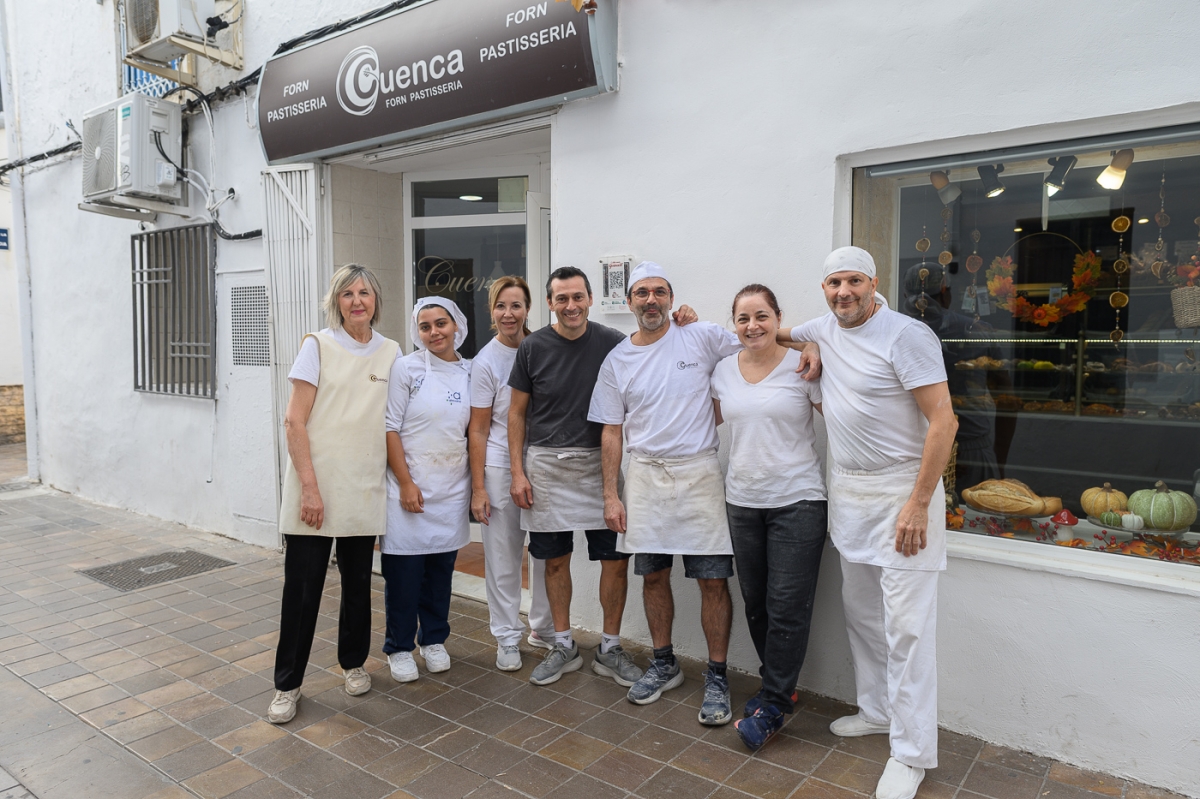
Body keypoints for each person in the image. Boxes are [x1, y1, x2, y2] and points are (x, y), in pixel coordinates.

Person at [589, 262, 819, 725]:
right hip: (646, 476)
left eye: (659, 292)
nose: (650, 300)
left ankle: (717, 676)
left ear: (671, 299)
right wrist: (610, 496)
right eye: (641, 293)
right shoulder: (617, 359)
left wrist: (811, 342)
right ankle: (664, 662)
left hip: (700, 474)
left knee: (713, 580)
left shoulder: (703, 335)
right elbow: (611, 430)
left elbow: (763, 340)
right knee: (652, 577)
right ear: (629, 302)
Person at [779, 246, 956, 799]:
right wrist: (806, 344)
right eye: (833, 283)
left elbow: (945, 422)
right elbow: (775, 332)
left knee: (907, 629)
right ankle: (877, 712)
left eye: (853, 281)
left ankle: (911, 753)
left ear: (873, 283)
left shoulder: (906, 335)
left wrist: (918, 502)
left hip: (905, 495)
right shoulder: (826, 326)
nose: (843, 293)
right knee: (861, 614)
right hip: (850, 493)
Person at [270, 264, 399, 724]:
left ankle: (353, 663)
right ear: (335, 301)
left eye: (364, 292)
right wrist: (308, 486)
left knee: (359, 586)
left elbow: (392, 424)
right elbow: (294, 421)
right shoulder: (316, 346)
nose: (357, 301)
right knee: (302, 591)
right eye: (347, 294)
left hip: (363, 487)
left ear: (376, 301)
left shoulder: (391, 352)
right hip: (316, 490)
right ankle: (288, 684)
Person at [507, 266, 644, 688]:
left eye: (577, 297)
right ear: (550, 303)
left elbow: (653, 351)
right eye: (561, 299)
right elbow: (516, 414)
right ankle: (563, 644)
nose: (571, 306)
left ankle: (610, 648)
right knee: (554, 561)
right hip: (547, 466)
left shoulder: (613, 343)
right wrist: (517, 472)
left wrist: (685, 322)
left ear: (589, 299)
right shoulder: (531, 347)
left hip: (601, 465)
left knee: (614, 561)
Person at [711, 284, 827, 750]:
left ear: (778, 318)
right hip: (741, 502)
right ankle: (779, 686)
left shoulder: (803, 366)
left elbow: (840, 420)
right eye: (743, 318)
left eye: (761, 316)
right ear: (733, 324)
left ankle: (774, 701)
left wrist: (809, 344)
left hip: (798, 501)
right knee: (757, 603)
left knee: (786, 608)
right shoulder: (721, 370)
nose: (753, 326)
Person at [381, 297, 473, 683]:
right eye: (425, 326)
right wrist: (405, 482)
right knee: (403, 576)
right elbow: (389, 428)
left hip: (451, 489)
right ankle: (399, 647)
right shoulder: (405, 369)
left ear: (457, 326)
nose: (434, 332)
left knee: (439, 574)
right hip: (409, 487)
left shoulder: (472, 371)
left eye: (441, 323)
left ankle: (433, 639)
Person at [469, 276, 554, 671]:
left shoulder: (542, 348)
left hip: (543, 466)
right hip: (502, 469)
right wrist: (479, 487)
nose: (509, 314)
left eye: (516, 305)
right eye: (501, 306)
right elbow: (480, 429)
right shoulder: (486, 362)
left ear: (528, 309)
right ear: (492, 311)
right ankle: (506, 636)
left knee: (545, 554)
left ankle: (542, 627)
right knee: (503, 559)